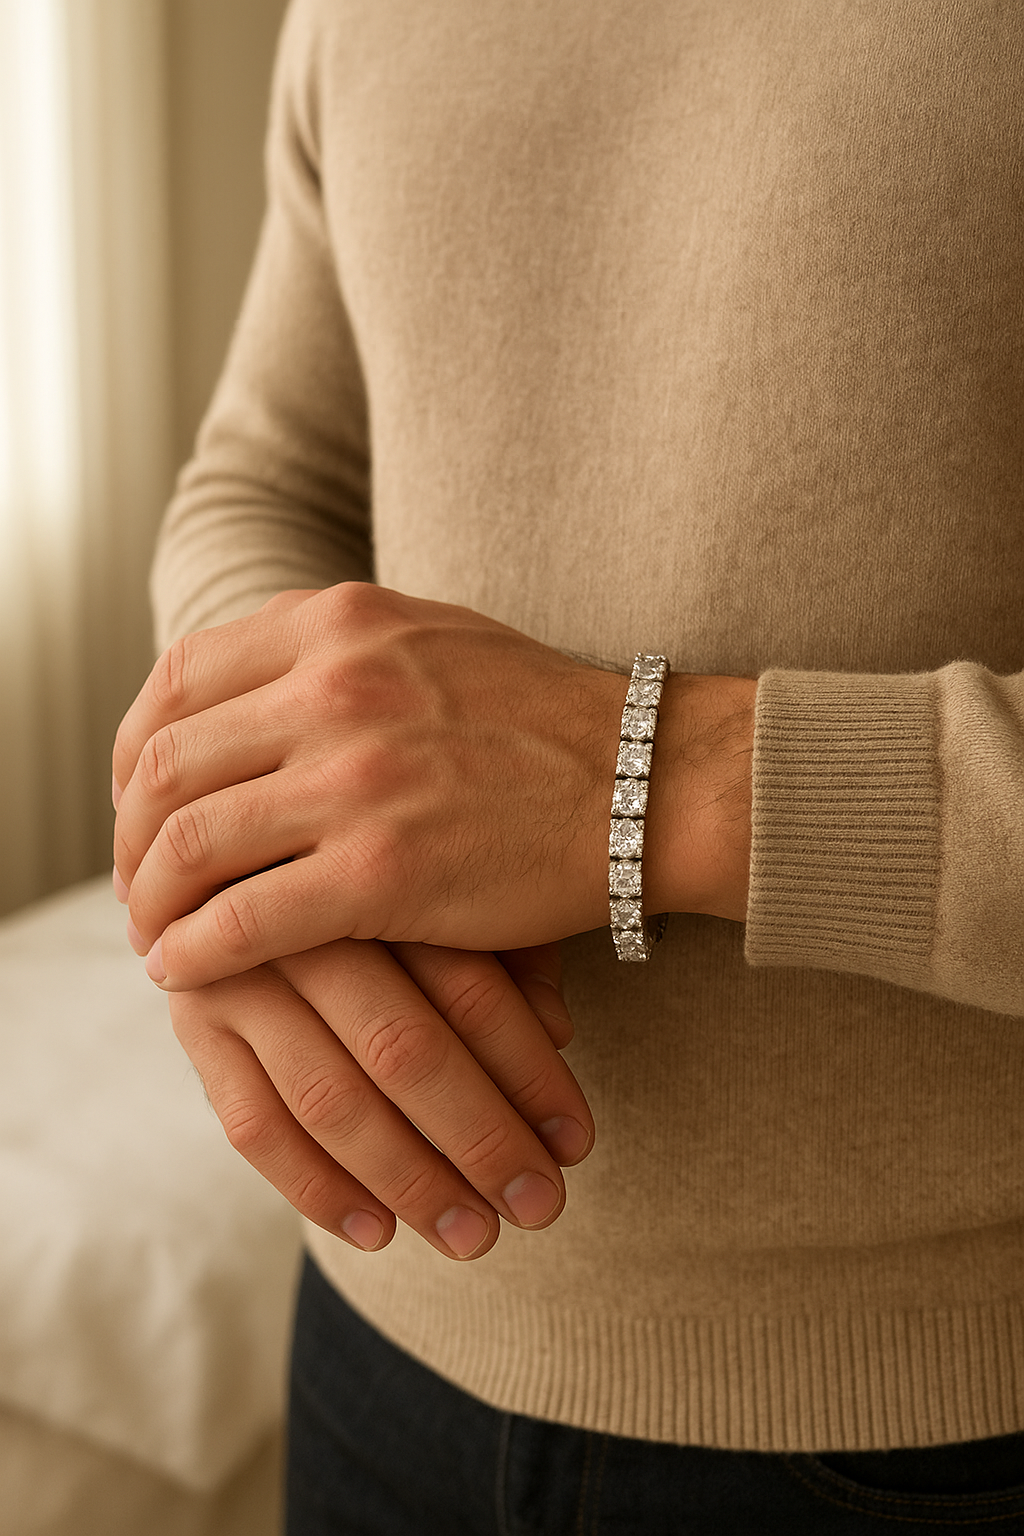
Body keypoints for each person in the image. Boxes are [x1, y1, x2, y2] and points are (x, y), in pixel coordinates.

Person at [112, 1, 1024, 1530]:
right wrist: (250, 816)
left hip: (954, 1421)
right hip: (381, 1348)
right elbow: (270, 474)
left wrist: (646, 777)